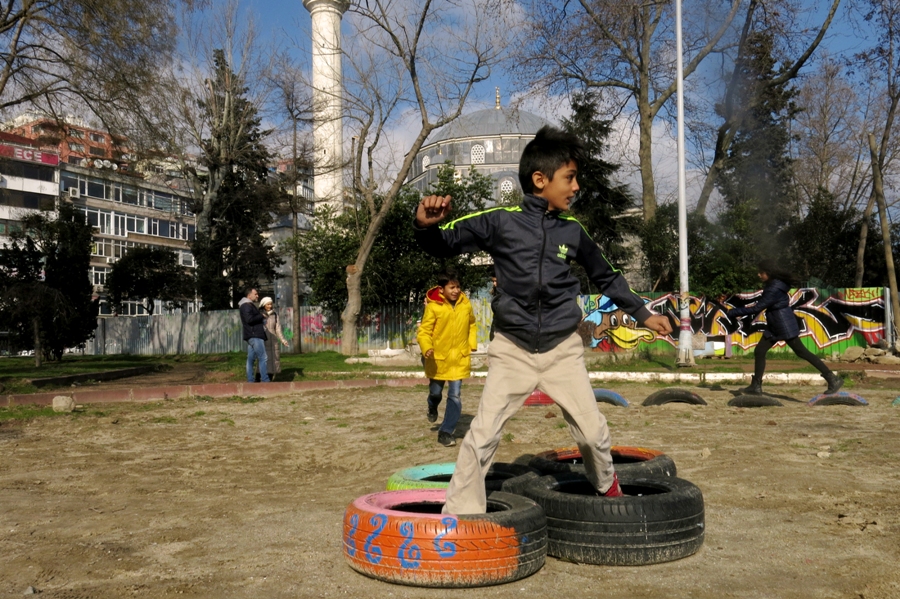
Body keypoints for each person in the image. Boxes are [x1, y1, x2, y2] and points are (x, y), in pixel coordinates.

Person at [414, 125, 673, 514]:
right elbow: (444, 242)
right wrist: (425, 225)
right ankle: (461, 516)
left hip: (561, 349)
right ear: (540, 180)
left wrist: (642, 313)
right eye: (569, 177)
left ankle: (607, 489)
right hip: (512, 350)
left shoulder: (572, 230)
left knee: (592, 432)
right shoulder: (500, 221)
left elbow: (606, 276)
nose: (576, 186)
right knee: (482, 436)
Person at [726, 259, 843, 396]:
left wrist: (732, 313)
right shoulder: (774, 285)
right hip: (776, 324)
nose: (758, 275)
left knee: (802, 352)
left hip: (783, 325)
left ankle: (832, 378)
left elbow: (757, 308)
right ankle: (755, 386)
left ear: (768, 273)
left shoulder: (773, 288)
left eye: (761, 272)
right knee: (759, 351)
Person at [417, 270, 477, 448]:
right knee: (436, 392)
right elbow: (424, 332)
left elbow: (472, 324)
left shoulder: (465, 305)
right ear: (442, 289)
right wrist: (427, 347)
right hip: (438, 359)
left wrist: (471, 343)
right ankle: (432, 405)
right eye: (452, 287)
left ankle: (446, 431)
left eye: (458, 287)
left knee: (455, 395)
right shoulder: (433, 307)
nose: (456, 290)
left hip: (458, 359)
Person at [239, 288, 269, 383]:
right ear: (249, 295)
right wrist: (261, 316)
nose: (257, 296)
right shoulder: (246, 305)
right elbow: (249, 319)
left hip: (252, 335)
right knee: (263, 357)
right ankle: (265, 380)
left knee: (251, 359)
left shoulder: (248, 305)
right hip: (254, 335)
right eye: (255, 294)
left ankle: (251, 381)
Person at [258, 297, 289, 382]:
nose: (270, 306)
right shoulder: (260, 315)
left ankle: (269, 380)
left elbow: (278, 329)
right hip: (263, 340)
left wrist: (283, 340)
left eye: (271, 304)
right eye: (268, 304)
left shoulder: (275, 315)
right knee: (263, 360)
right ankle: (258, 378)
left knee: (274, 361)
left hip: (273, 341)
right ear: (263, 305)